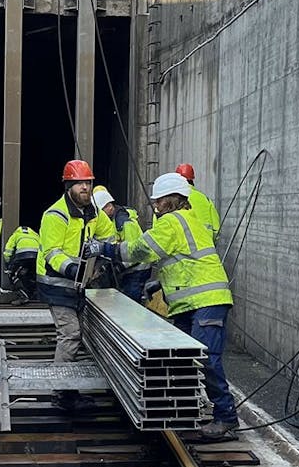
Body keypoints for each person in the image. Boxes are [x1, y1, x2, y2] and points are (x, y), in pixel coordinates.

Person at [97, 172, 237, 442]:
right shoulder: (190, 219)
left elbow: (141, 249)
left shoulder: (171, 222)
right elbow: (184, 260)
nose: (156, 206)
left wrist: (106, 249)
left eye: (159, 201)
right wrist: (159, 283)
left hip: (206, 300)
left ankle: (226, 418)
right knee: (186, 360)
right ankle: (187, 414)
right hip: (191, 301)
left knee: (207, 359)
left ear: (171, 200)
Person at [38, 159, 116, 411]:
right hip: (57, 285)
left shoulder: (92, 211)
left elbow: (109, 234)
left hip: (79, 285)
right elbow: (51, 252)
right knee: (70, 335)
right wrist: (73, 268)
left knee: (78, 336)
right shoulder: (55, 215)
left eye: (88, 183)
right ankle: (60, 393)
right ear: (68, 186)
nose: (85, 187)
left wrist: (101, 254)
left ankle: (69, 390)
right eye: (79, 183)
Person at [92, 185, 149, 302]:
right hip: (129, 268)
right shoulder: (112, 221)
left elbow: (135, 252)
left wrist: (118, 267)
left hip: (138, 269)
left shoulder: (125, 223)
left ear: (109, 207)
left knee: (131, 302)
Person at [175, 163, 221, 242]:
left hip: (181, 249)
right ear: (192, 180)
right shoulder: (204, 199)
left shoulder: (171, 199)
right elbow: (216, 228)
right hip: (205, 247)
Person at [2, 225, 41, 300]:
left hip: (22, 258)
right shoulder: (36, 235)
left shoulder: (16, 235)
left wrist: (8, 264)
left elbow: (8, 251)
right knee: (32, 275)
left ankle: (22, 294)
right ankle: (34, 293)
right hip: (35, 258)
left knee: (14, 275)